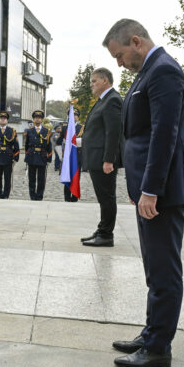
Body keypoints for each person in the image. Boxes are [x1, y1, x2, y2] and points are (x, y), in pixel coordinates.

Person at [103, 19, 184, 367]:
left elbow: (163, 135)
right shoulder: (148, 72)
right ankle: (152, 332)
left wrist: (149, 190)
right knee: (154, 269)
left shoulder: (164, 72)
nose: (119, 63)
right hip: (152, 190)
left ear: (135, 41)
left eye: (119, 55)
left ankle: (159, 347)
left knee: (164, 270)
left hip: (164, 191)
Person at [79, 67, 124, 246]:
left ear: (105, 80)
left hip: (103, 159)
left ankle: (106, 235)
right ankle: (102, 229)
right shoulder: (102, 100)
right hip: (96, 156)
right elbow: (97, 130)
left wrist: (108, 160)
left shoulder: (112, 99)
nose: (91, 85)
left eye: (94, 81)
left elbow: (113, 133)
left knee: (107, 197)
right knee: (102, 197)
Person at [23, 110, 52, 201]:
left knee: (41, 179)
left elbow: (49, 146)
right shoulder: (29, 131)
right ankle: (32, 196)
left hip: (42, 157)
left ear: (42, 120)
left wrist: (49, 158)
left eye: (39, 118)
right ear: (33, 119)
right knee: (31, 179)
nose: (37, 119)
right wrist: (27, 156)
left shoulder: (46, 131)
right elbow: (27, 145)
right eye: (36, 118)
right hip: (32, 157)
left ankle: (39, 196)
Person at [56, 109, 83, 202]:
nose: (74, 117)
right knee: (67, 177)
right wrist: (60, 156)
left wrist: (76, 142)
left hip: (77, 157)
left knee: (76, 178)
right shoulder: (64, 128)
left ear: (78, 117)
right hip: (67, 158)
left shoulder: (82, 128)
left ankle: (74, 197)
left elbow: (86, 141)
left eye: (76, 115)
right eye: (72, 115)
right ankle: (67, 198)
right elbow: (58, 142)